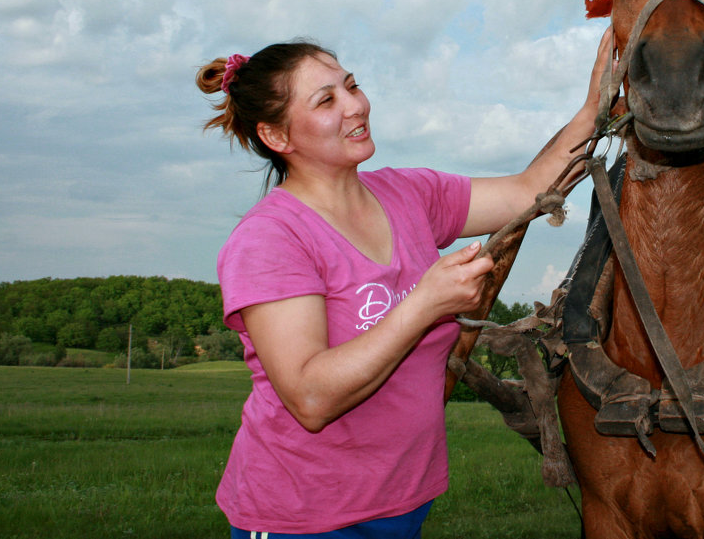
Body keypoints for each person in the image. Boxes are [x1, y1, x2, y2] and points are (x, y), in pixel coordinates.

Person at [195, 31, 610, 539]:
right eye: (327, 100)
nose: (355, 105)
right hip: (302, 513)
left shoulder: (407, 193)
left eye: (352, 85)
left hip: (403, 501)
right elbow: (309, 397)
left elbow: (529, 191)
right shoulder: (270, 239)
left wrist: (597, 105)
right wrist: (426, 303)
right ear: (277, 138)